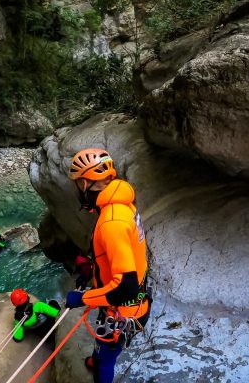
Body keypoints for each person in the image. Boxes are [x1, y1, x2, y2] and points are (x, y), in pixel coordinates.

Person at [63, 148, 151, 383]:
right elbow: (118, 255)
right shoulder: (122, 204)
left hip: (122, 312)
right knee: (103, 347)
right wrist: (91, 272)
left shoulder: (111, 222)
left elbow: (125, 288)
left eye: (77, 184)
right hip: (134, 301)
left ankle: (99, 365)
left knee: (107, 359)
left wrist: (83, 298)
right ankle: (96, 358)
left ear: (84, 184)